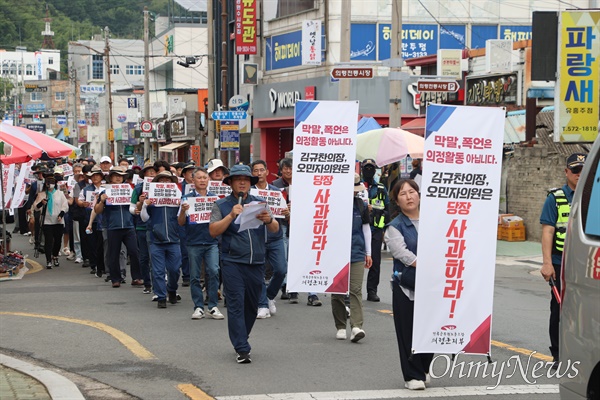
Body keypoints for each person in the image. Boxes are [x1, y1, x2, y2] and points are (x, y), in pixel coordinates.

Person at [209, 165, 279, 364]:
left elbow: (275, 228)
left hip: (256, 262)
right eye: (238, 179)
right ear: (230, 183)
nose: (242, 183)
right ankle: (242, 348)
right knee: (236, 304)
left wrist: (268, 219)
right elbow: (213, 231)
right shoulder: (221, 205)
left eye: (246, 180)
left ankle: (242, 338)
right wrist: (231, 215)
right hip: (232, 262)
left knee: (251, 305)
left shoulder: (259, 203)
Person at [540, 152, 587, 369]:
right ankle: (558, 354)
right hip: (561, 262)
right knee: (559, 309)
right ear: (566, 172)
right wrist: (547, 263)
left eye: (583, 170)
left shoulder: (594, 196)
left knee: (587, 309)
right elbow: (548, 231)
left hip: (586, 263)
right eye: (575, 170)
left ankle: (584, 353)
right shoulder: (555, 198)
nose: (579, 174)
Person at [384, 178, 432, 390]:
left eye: (412, 192)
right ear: (397, 200)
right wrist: (429, 265)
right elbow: (402, 254)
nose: (409, 196)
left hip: (432, 286)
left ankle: (424, 367)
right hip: (407, 286)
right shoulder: (394, 227)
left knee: (430, 329)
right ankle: (412, 375)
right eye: (403, 194)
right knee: (408, 331)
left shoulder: (434, 220)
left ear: (419, 195)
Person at [272, 158, 322, 305]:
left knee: (307, 257)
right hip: (283, 225)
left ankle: (312, 293)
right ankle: (289, 287)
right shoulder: (275, 186)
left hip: (303, 226)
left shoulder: (306, 184)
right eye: (285, 168)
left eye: (291, 168)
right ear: (281, 170)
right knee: (286, 258)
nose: (288, 171)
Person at [178, 167, 224, 320]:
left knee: (214, 271)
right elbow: (180, 222)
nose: (202, 180)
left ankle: (212, 306)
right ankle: (198, 306)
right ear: (193, 180)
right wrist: (183, 211)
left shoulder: (215, 198)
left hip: (211, 241)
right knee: (195, 276)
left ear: (208, 180)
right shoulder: (186, 198)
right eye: (199, 178)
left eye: (205, 177)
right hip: (193, 242)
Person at [333, 173, 372, 342]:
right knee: (337, 292)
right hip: (335, 253)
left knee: (355, 289)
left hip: (356, 251)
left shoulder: (361, 205)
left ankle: (357, 326)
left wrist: (368, 253)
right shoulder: (332, 204)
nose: (354, 193)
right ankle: (341, 326)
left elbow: (366, 229)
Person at [251, 160, 288, 318]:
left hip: (275, 237)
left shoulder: (276, 192)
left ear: (267, 171)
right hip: (256, 237)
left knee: (281, 270)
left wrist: (287, 213)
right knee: (258, 272)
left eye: (261, 170)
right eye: (255, 171)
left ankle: (269, 296)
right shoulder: (250, 192)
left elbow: (283, 214)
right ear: (252, 173)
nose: (259, 173)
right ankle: (262, 305)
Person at [95, 166, 143, 288]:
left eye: (120, 176)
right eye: (116, 175)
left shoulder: (130, 190)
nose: (118, 177)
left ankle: (136, 277)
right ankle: (115, 278)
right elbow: (97, 210)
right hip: (113, 226)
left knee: (134, 251)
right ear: (110, 177)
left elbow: (135, 205)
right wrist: (102, 201)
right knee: (113, 253)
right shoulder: (104, 192)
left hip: (129, 226)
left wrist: (140, 204)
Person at [141, 170, 182, 308]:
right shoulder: (150, 198)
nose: (165, 182)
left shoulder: (179, 197)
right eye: (162, 180)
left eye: (168, 180)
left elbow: (183, 217)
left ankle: (172, 289)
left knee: (175, 269)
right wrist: (145, 205)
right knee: (158, 270)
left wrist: (182, 205)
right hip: (156, 239)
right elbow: (144, 218)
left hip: (174, 239)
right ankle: (161, 296)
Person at [361, 159, 389, 302]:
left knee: (375, 261)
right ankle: (354, 291)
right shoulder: (356, 186)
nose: (369, 170)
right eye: (366, 168)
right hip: (359, 229)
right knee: (357, 260)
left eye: (371, 168)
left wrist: (385, 227)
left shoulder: (380, 188)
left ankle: (372, 291)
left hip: (376, 229)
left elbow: (387, 208)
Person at [32, 175, 69, 269]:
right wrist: (41, 203)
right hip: (46, 221)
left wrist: (61, 214)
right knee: (48, 241)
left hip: (58, 221)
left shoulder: (60, 194)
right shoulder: (42, 194)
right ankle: (48, 260)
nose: (50, 185)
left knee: (57, 241)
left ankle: (55, 256)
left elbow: (65, 206)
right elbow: (36, 207)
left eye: (52, 183)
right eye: (49, 183)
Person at [131, 164, 157, 294]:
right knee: (144, 257)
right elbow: (132, 208)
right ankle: (147, 283)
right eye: (149, 173)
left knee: (156, 257)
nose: (152, 175)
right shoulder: (138, 188)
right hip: (142, 226)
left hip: (157, 226)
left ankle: (158, 283)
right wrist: (140, 202)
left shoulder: (163, 188)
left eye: (154, 172)